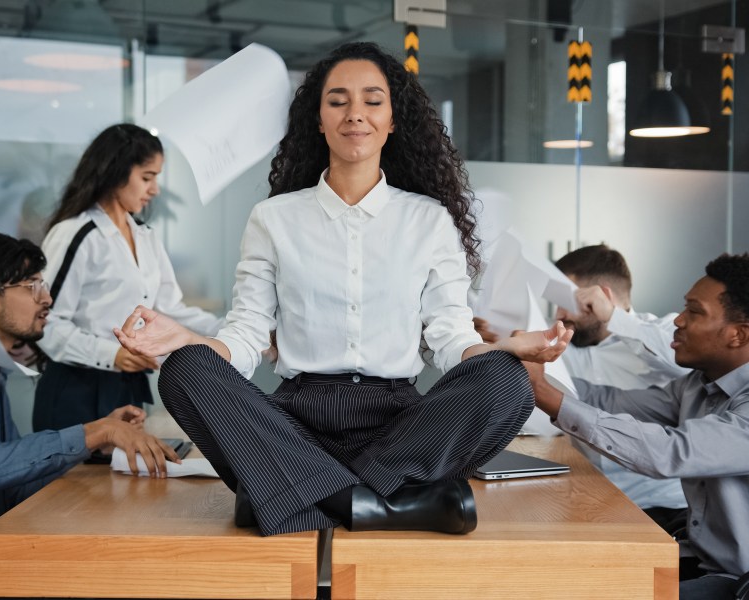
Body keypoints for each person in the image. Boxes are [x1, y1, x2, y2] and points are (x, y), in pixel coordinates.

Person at [114, 41, 572, 538]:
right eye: (338, 101)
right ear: (318, 119)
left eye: (372, 101)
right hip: (295, 427)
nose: (356, 114)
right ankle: (379, 505)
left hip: (398, 428)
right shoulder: (273, 219)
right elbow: (244, 339)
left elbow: (451, 339)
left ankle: (294, 497)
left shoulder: (428, 221)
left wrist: (505, 348)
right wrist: (182, 340)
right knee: (185, 370)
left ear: (394, 120)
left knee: (505, 379)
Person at [524, 252, 749, 600]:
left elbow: (671, 452)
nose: (678, 321)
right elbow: (607, 401)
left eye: (694, 311)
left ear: (738, 334)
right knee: (572, 577)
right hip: (701, 556)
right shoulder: (696, 385)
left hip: (738, 579)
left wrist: (546, 393)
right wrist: (530, 370)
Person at [0, 231, 179, 562]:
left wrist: (92, 443)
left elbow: (8, 487)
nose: (47, 299)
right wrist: (92, 432)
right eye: (32, 287)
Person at [33, 123, 224, 432]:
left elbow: (168, 310)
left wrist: (231, 330)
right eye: (147, 177)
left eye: (156, 178)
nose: (155, 189)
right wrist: (113, 354)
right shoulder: (77, 234)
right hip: (78, 391)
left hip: (128, 387)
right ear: (115, 172)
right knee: (83, 482)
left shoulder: (145, 236)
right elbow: (45, 323)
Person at [554, 244, 689, 533]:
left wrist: (615, 318)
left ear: (601, 296)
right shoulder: (569, 344)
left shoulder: (666, 332)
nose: (559, 313)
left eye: (564, 301)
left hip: (662, 507)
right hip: (592, 497)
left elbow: (688, 366)